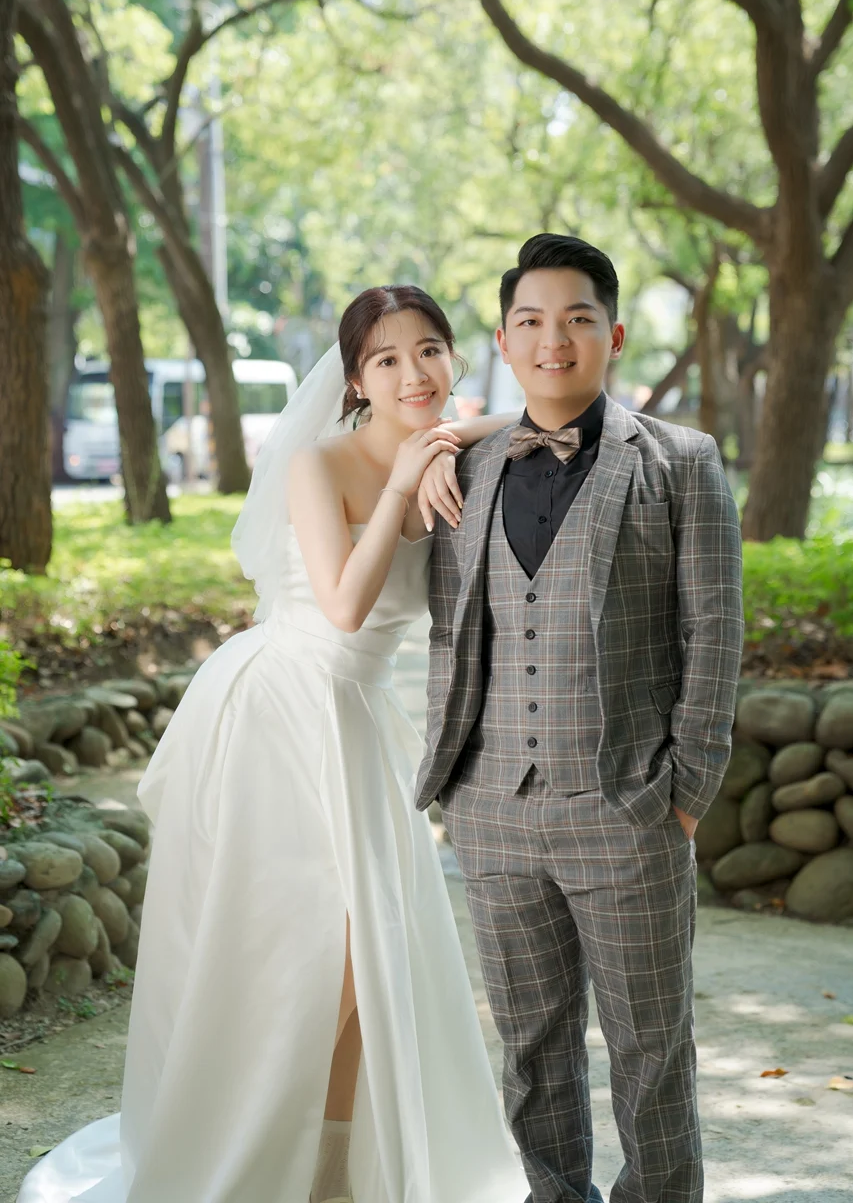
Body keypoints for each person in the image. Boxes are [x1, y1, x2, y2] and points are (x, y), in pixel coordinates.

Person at [18, 285, 528, 1203]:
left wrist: (452, 438)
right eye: (385, 360)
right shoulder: (316, 464)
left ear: (455, 357)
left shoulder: (446, 442)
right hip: (279, 710)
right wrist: (405, 482)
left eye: (429, 350)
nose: (413, 373)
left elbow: (533, 416)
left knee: (375, 957)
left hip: (356, 718)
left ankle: (328, 1173)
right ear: (355, 382)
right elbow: (344, 605)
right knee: (311, 951)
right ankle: (242, 1154)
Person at [416, 235, 744, 1203]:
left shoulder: (680, 461)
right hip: (491, 810)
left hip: (629, 809)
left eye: (576, 319)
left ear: (614, 335)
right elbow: (449, 628)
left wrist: (684, 792)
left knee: (651, 1050)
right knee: (530, 1049)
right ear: (502, 342)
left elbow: (714, 630)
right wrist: (456, 791)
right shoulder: (466, 467)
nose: (551, 340)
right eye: (529, 321)